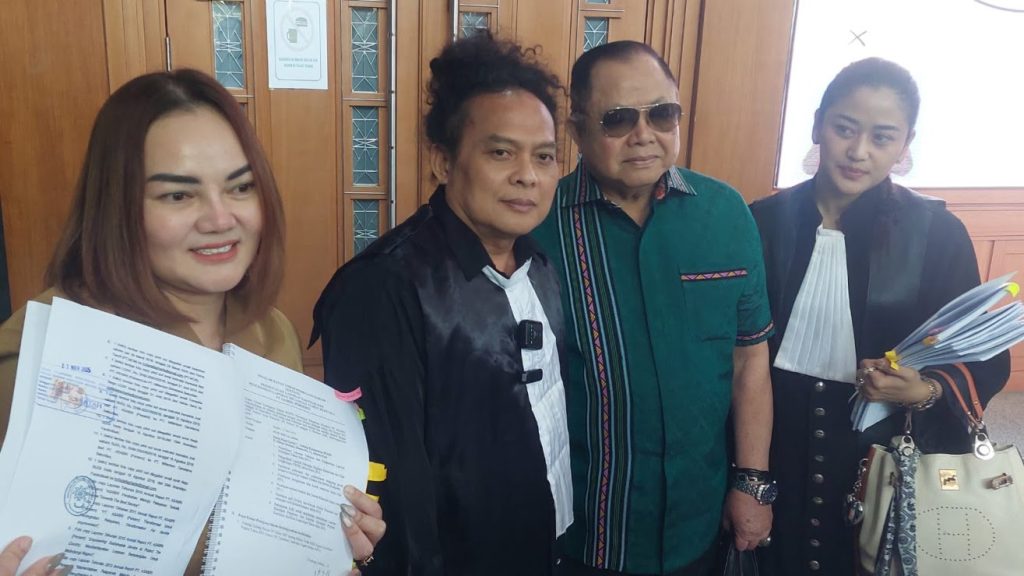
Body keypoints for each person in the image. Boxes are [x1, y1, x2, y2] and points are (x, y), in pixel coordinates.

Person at [0, 69, 383, 576]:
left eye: (240, 187)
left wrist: (337, 547)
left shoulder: (269, 331)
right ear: (117, 207)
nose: (220, 219)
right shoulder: (42, 349)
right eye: (178, 196)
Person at [311, 33, 572, 575]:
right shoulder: (384, 288)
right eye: (501, 152)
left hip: (539, 550)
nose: (528, 175)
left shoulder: (540, 266)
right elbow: (387, 484)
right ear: (443, 161)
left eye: (544, 156)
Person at [748, 57, 1011, 576]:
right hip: (776, 439)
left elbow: (983, 355)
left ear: (905, 142)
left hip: (884, 454)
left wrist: (925, 390)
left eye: (882, 137)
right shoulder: (763, 222)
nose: (858, 151)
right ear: (817, 124)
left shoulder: (937, 234)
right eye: (844, 129)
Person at [531, 41, 775, 576]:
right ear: (577, 131)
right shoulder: (538, 227)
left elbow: (749, 360)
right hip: (583, 530)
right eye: (618, 119)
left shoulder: (725, 214)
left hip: (699, 520)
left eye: (662, 114)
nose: (644, 135)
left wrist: (752, 482)